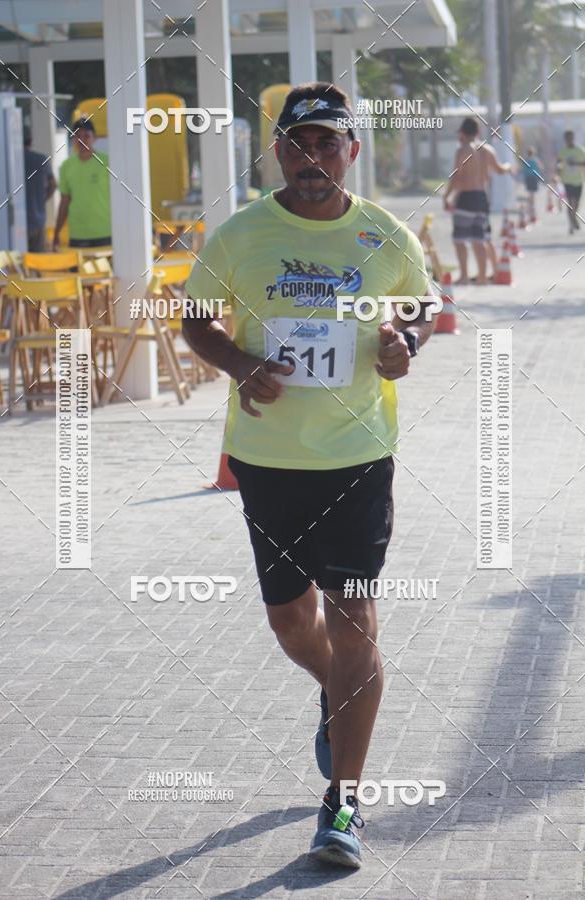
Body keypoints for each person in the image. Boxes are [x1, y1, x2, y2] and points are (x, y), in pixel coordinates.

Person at [182, 82, 436, 869]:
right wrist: (241, 364)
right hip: (268, 461)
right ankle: (339, 694)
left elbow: (422, 306)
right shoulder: (240, 234)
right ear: (278, 153)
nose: (312, 157)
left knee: (353, 618)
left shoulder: (385, 235)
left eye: (327, 143)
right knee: (293, 623)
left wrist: (405, 344)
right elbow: (195, 318)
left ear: (351, 151)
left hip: (357, 457)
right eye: (298, 143)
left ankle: (343, 805)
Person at [443, 116, 512, 285]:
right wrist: (509, 166)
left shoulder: (463, 150)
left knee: (460, 240)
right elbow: (500, 169)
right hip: (481, 198)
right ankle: (482, 277)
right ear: (478, 131)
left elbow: (456, 177)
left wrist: (447, 196)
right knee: (479, 240)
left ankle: (464, 276)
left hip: (466, 197)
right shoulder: (486, 150)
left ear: (462, 133)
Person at [53, 118, 111, 249]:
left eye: (86, 136)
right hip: (78, 234)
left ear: (94, 138)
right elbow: (64, 201)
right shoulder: (67, 166)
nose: (82, 140)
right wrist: (56, 233)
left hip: (105, 231)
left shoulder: (107, 162)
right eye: (78, 136)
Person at [24, 131, 56, 252]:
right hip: (37, 220)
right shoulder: (42, 159)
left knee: (17, 260)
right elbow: (53, 185)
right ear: (31, 141)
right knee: (37, 260)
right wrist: (42, 200)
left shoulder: (11, 160)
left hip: (17, 223)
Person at [556, 130, 585, 234]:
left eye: (571, 138)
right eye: (567, 138)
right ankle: (571, 224)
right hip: (567, 181)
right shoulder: (562, 152)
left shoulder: (580, 150)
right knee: (569, 203)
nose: (569, 140)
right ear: (565, 140)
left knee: (576, 203)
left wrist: (575, 163)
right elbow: (558, 164)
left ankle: (574, 218)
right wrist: (558, 173)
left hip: (578, 180)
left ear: (573, 138)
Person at [522, 146, 543, 221]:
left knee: (530, 194)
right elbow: (539, 169)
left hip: (528, 178)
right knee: (533, 195)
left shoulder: (526, 161)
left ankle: (530, 209)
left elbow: (524, 171)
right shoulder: (536, 161)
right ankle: (532, 211)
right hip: (534, 178)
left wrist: (524, 179)